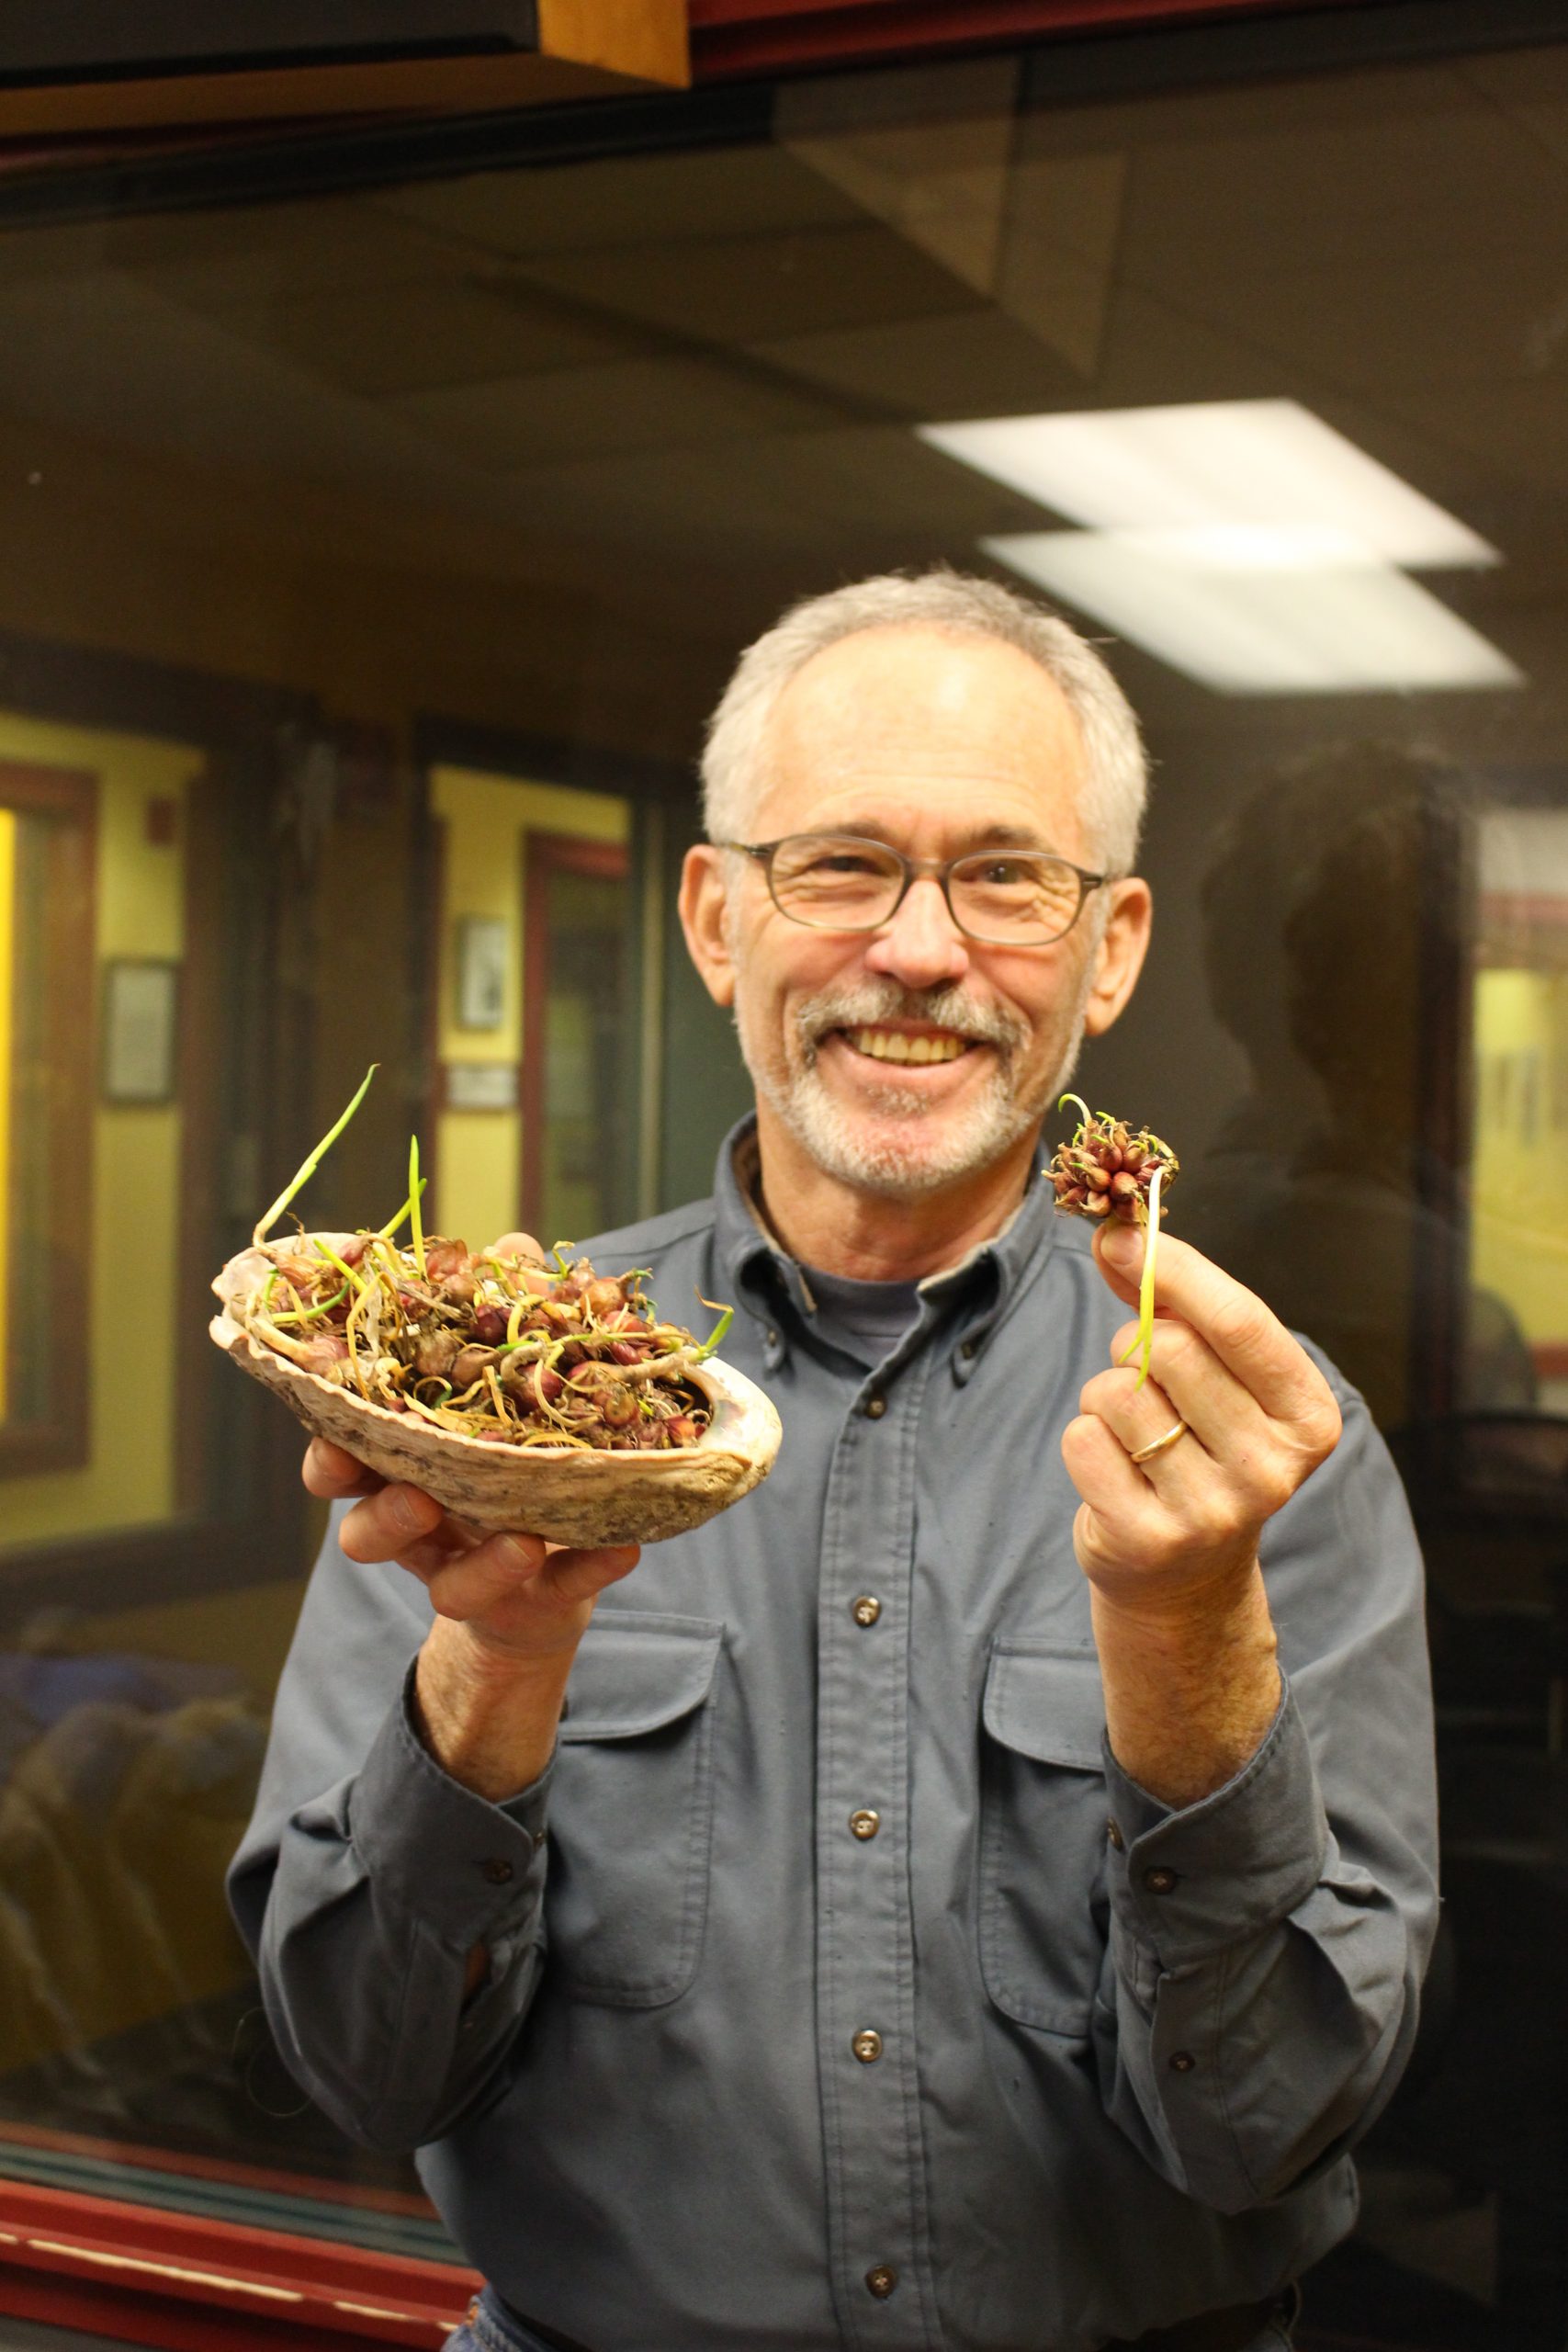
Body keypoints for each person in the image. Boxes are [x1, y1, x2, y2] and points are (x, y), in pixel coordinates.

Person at [230, 571, 1438, 2352]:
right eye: (842, 863)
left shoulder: (1251, 1444)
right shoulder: (498, 1400)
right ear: (718, 918)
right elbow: (361, 2070)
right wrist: (496, 1654)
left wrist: (1187, 1639)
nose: (920, 947)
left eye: (1004, 874)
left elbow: (1261, 2123)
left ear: (1106, 952)